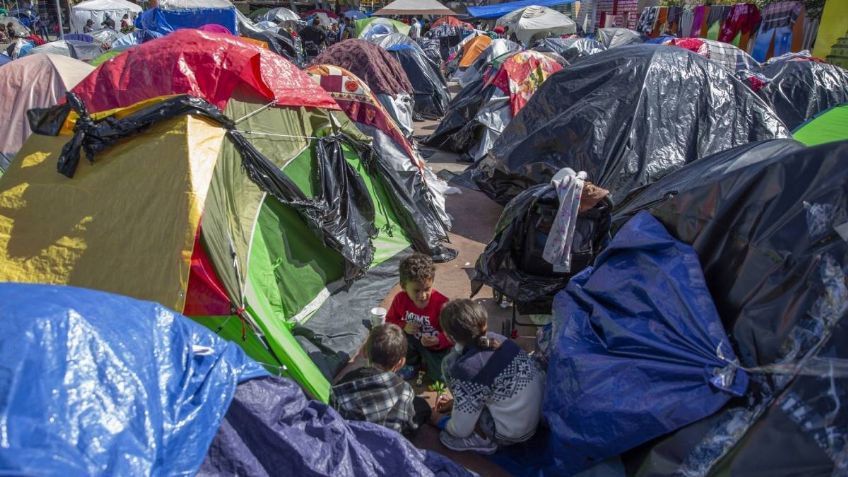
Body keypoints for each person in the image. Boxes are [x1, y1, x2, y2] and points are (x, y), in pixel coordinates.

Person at [431, 299, 545, 454]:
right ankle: (465, 403)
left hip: (511, 434)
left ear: (450, 336)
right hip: (534, 419)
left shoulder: (465, 369)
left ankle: (483, 439)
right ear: (484, 324)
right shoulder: (499, 340)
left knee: (449, 437)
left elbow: (460, 431)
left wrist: (437, 419)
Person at [331, 323, 430, 436]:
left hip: (350, 436)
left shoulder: (343, 383)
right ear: (401, 363)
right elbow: (409, 420)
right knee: (422, 407)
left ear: (364, 352)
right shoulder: (404, 390)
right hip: (387, 441)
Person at [385, 253, 452, 382]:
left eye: (427, 289)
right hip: (411, 342)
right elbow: (390, 321)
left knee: (439, 379)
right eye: (416, 290)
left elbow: (452, 334)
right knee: (396, 338)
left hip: (435, 347)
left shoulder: (442, 304)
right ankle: (412, 363)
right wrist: (404, 326)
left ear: (432, 282)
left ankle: (426, 360)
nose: (422, 295)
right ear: (404, 286)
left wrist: (438, 340)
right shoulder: (400, 299)